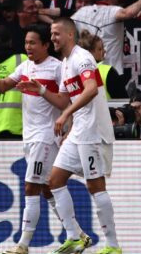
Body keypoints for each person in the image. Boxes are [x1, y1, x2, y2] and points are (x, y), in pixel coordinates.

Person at [18, 17, 121, 254]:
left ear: (70, 35)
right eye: (51, 34)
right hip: (78, 132)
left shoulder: (82, 58)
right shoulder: (65, 63)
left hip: (93, 132)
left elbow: (91, 90)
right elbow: (64, 99)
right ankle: (74, 237)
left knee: (96, 187)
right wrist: (42, 90)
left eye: (56, 34)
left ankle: (113, 245)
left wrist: (65, 116)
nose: (52, 37)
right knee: (53, 182)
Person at [0, 24, 63, 254]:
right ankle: (76, 232)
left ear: (45, 45)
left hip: (46, 136)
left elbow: (65, 101)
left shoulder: (57, 68)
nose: (28, 47)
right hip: (29, 136)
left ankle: (23, 244)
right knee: (48, 189)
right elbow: (2, 88)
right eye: (26, 43)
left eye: (33, 43)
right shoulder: (25, 66)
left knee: (31, 187)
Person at [78, 30, 127, 99]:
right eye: (100, 49)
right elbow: (123, 100)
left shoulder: (72, 70)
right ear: (89, 52)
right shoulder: (108, 71)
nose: (104, 51)